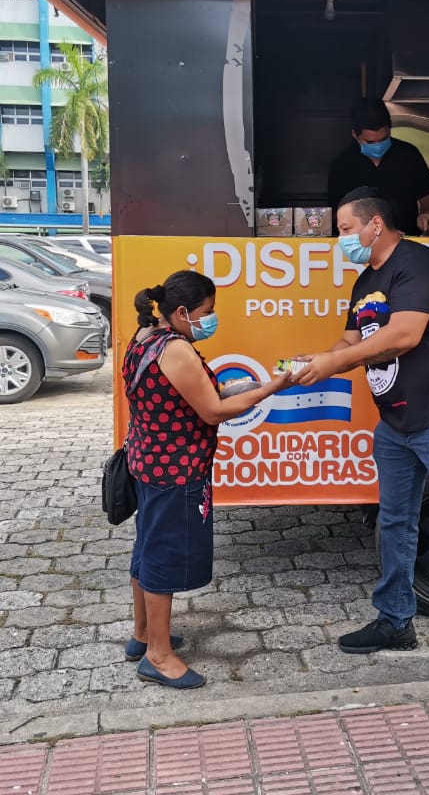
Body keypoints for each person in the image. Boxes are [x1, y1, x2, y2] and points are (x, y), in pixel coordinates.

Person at [287, 186, 429, 679]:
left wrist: (336, 360)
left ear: (374, 224)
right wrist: (318, 361)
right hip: (396, 421)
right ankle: (396, 621)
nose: (341, 239)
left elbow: (404, 334)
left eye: (344, 229)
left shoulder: (418, 264)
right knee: (394, 522)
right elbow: (352, 340)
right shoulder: (365, 282)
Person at [122, 272, 289, 689]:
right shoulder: (177, 350)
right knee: (163, 556)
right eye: (207, 313)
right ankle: (158, 657)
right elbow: (213, 411)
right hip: (176, 470)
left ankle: (143, 635)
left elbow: (180, 396)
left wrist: (237, 387)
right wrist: (272, 386)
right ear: (182, 313)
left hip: (147, 461)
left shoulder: (145, 335)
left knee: (147, 547)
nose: (210, 320)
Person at [327, 98, 429, 237]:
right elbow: (334, 213)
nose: (378, 145)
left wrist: (427, 214)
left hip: (406, 239)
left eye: (384, 139)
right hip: (361, 243)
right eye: (370, 142)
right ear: (355, 135)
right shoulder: (342, 165)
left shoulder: (408, 155)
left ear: (390, 129)